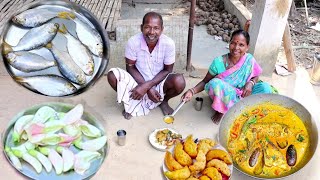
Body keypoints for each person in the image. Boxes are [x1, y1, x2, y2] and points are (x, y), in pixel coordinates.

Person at [181, 29, 274, 124]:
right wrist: (191, 91)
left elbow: (256, 75)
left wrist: (251, 83)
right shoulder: (218, 62)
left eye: (241, 45)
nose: (236, 48)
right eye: (233, 43)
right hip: (224, 96)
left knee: (265, 88)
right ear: (229, 44)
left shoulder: (249, 59)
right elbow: (205, 81)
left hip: (244, 93)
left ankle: (244, 108)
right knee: (214, 83)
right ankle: (221, 110)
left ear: (247, 47)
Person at [107, 12, 186, 119]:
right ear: (141, 28)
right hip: (137, 81)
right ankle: (130, 103)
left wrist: (147, 86)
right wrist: (146, 88)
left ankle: (163, 101)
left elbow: (168, 70)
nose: (152, 32)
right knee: (112, 75)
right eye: (147, 27)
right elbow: (130, 67)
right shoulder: (133, 42)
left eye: (156, 28)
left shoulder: (168, 44)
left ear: (162, 29)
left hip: (159, 82)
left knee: (179, 81)